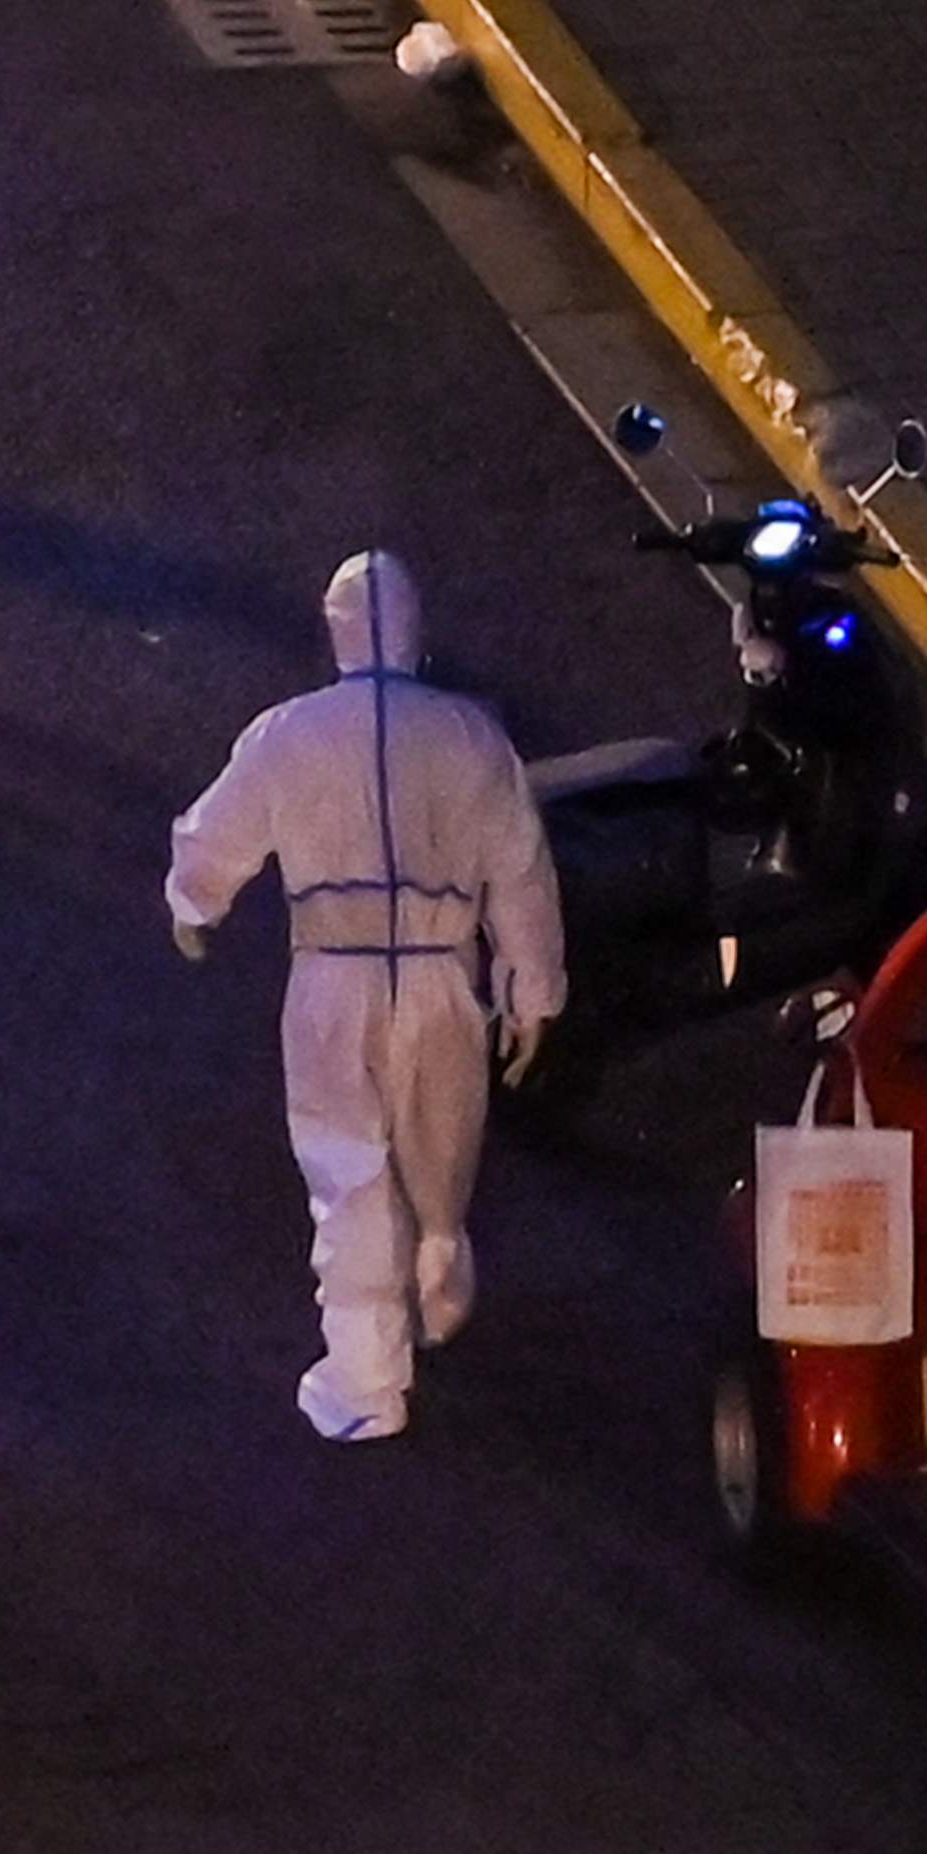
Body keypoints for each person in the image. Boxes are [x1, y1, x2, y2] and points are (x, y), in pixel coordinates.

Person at [168, 553, 565, 1442]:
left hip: (332, 980)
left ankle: (369, 1380)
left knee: (347, 1170)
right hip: (442, 981)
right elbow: (521, 873)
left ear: (336, 628)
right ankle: (437, 1274)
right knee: (442, 1147)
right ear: (415, 630)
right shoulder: (470, 738)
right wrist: (532, 990)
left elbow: (216, 834)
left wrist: (191, 903)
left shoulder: (288, 735)